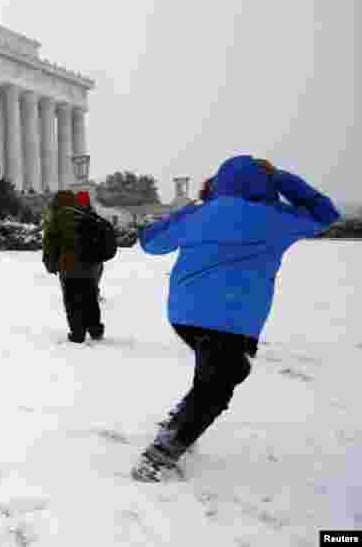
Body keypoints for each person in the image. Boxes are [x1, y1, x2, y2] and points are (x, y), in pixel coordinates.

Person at [132, 156, 340, 482]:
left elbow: (149, 242)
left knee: (223, 372)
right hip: (233, 320)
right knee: (217, 389)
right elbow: (326, 214)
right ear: (266, 186)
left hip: (185, 315)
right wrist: (283, 179)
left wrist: (189, 213)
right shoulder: (277, 218)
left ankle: (179, 419)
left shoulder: (200, 215)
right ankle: (158, 457)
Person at [42, 190, 105, 343]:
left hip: (67, 265)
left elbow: (50, 244)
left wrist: (51, 264)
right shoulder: (85, 214)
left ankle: (78, 333)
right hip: (89, 264)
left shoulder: (57, 218)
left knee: (72, 300)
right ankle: (95, 329)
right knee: (90, 298)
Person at [75, 190, 106, 316]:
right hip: (92, 253)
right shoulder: (93, 215)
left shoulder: (73, 214)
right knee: (94, 273)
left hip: (79, 252)